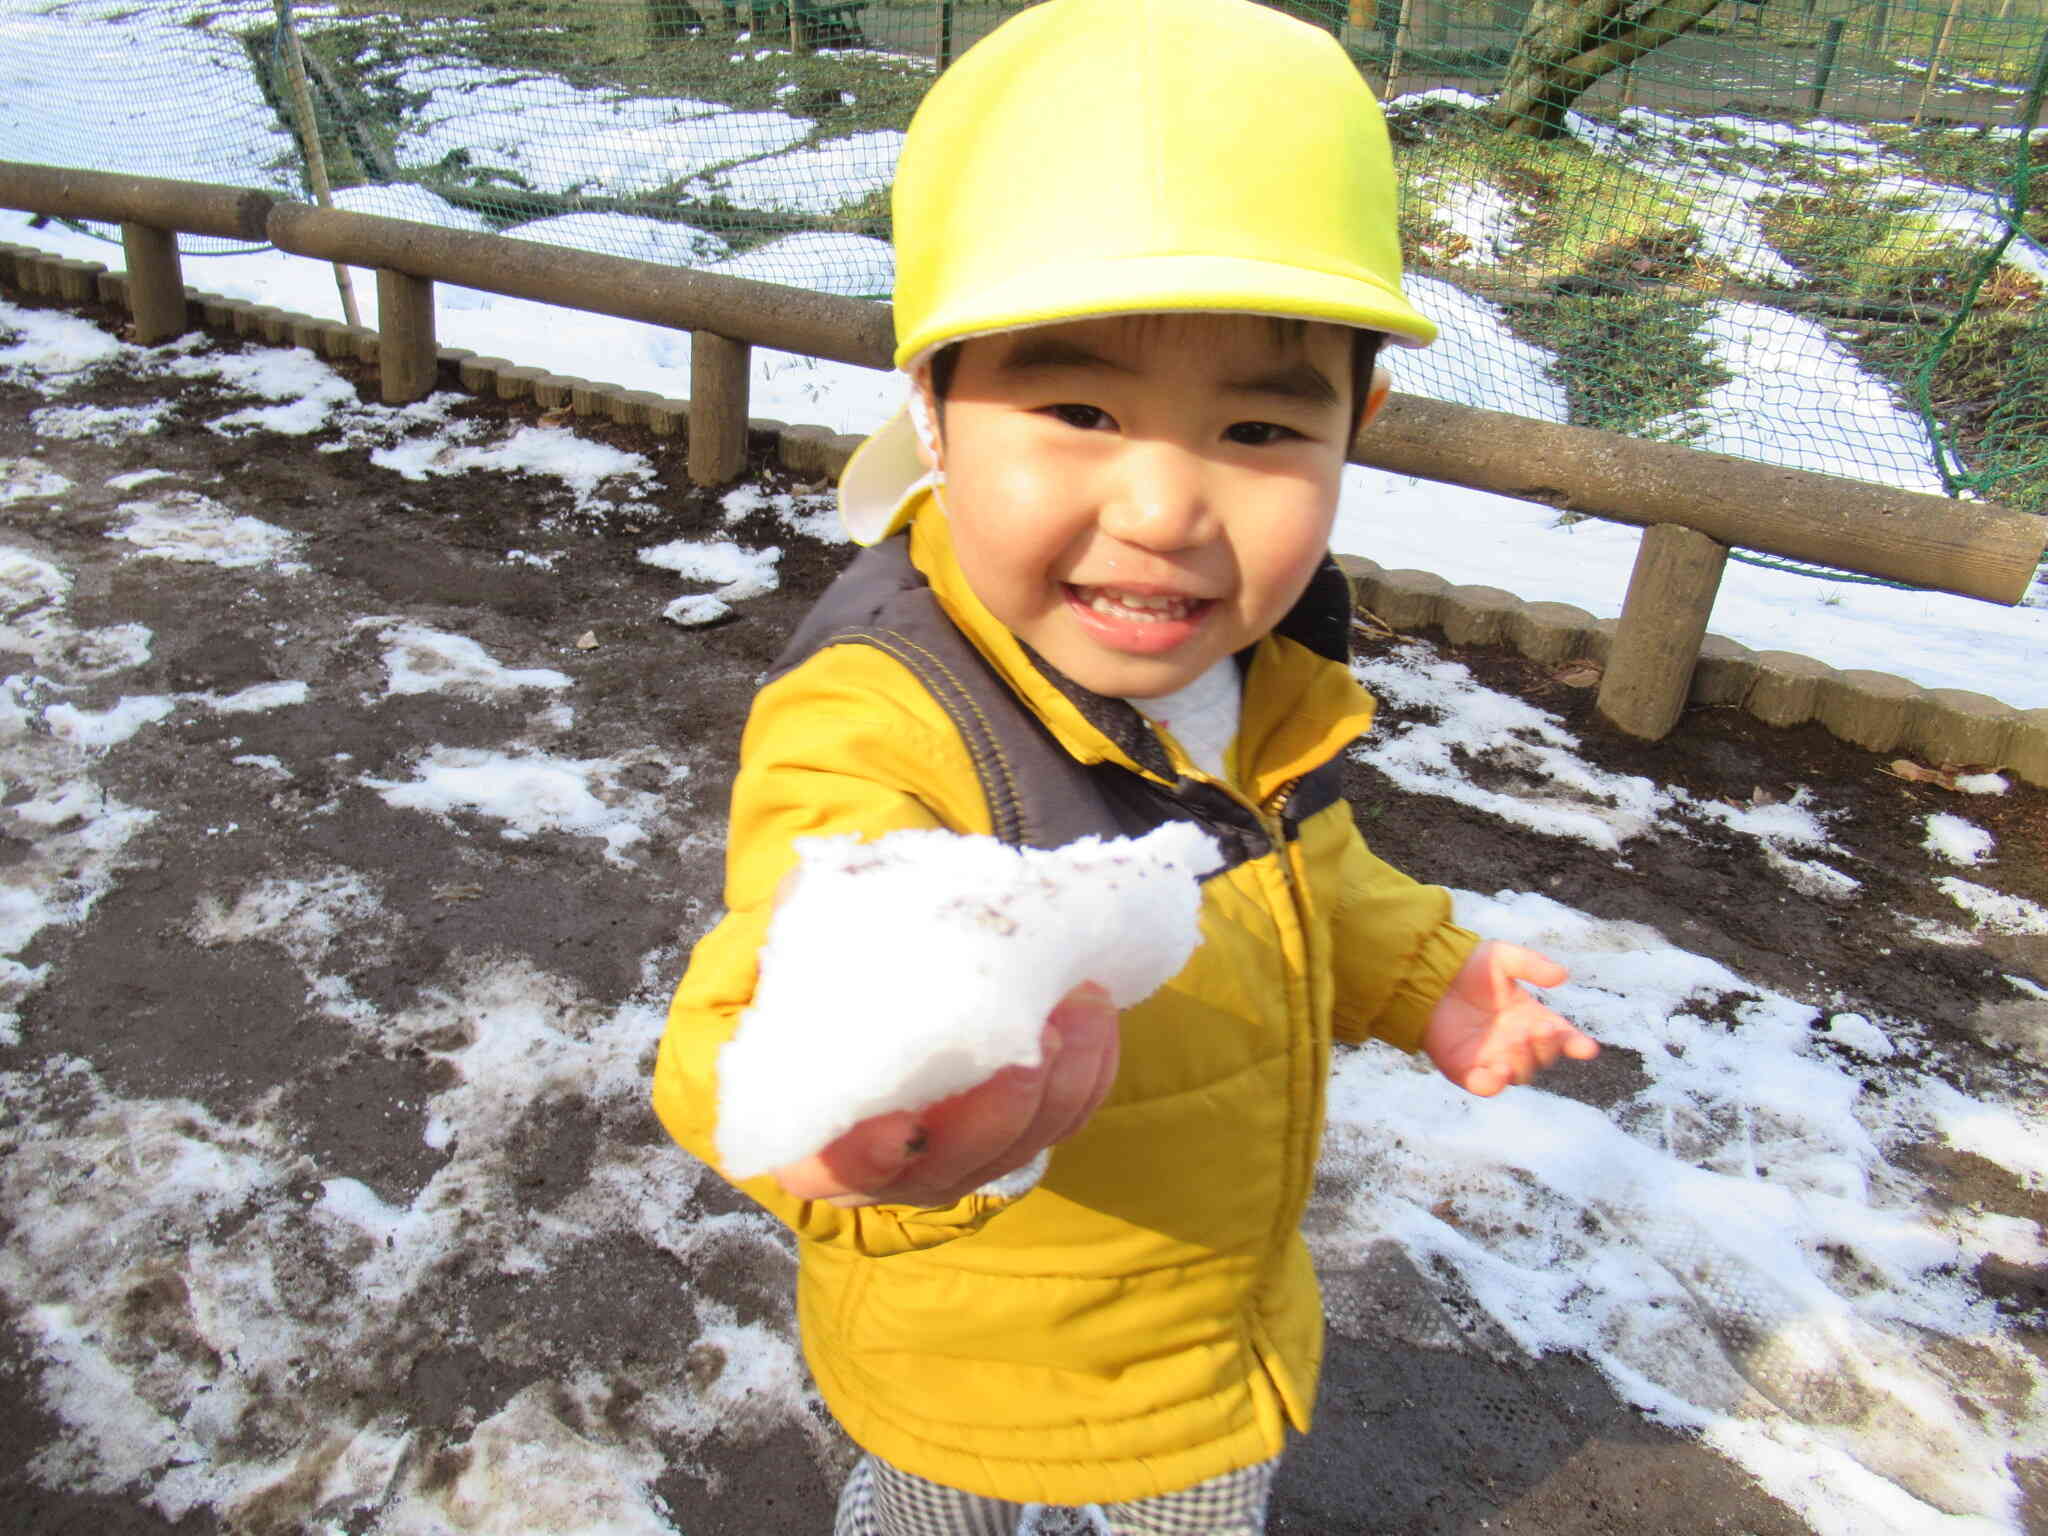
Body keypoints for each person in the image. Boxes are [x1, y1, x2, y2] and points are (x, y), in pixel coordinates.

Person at [652, 1, 1600, 1531]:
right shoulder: (885, 714)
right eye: (1078, 411)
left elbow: (1311, 871)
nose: (1165, 506)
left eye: (1256, 429)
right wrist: (846, 1118)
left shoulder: (1255, 670)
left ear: (1357, 426)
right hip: (970, 1353)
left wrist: (1426, 975)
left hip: (1208, 1345)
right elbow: (769, 981)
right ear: (935, 418)